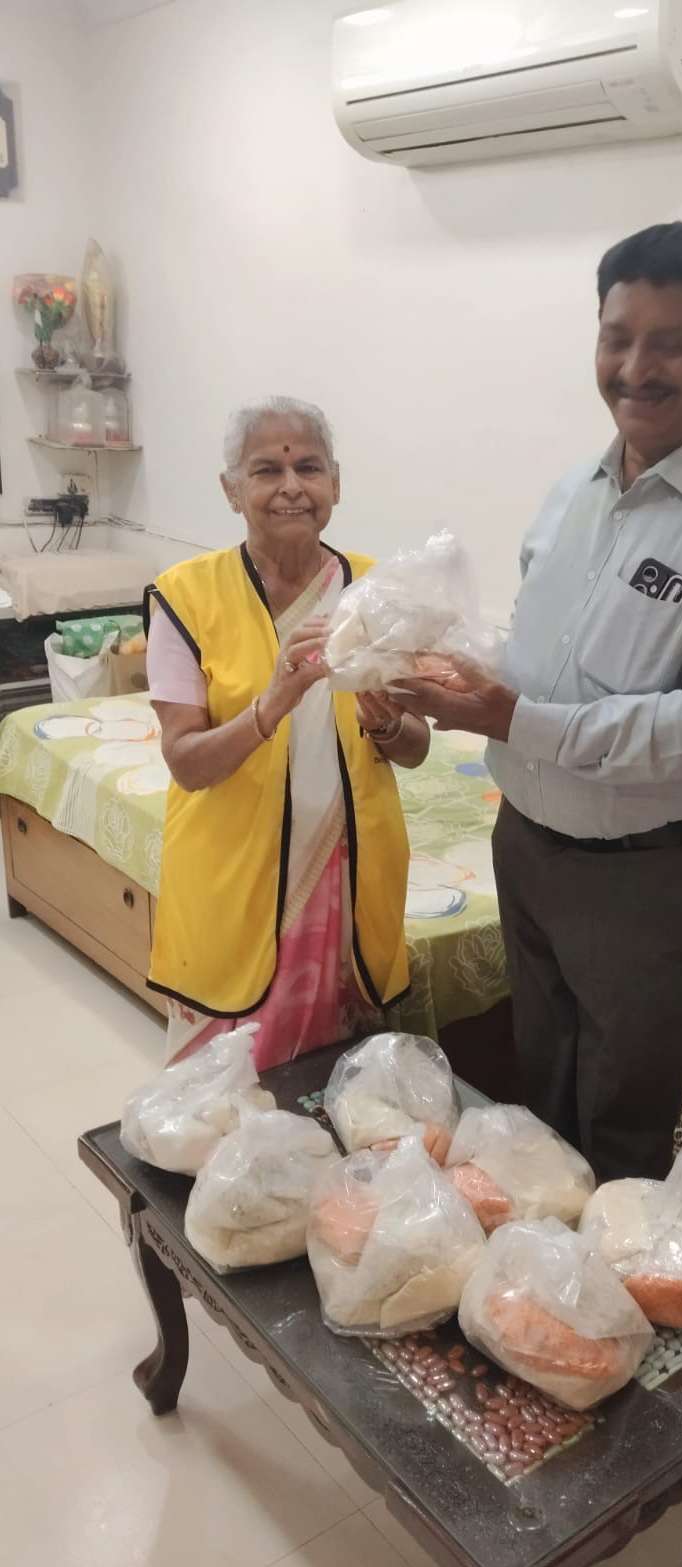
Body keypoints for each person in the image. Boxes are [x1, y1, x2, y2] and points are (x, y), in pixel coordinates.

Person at [397, 223, 682, 1182]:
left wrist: (513, 719)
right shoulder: (573, 494)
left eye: (670, 343)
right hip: (527, 842)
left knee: (624, 1125)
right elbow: (544, 656)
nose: (635, 368)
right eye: (616, 338)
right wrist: (460, 669)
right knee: (538, 1092)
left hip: (648, 875)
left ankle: (617, 1268)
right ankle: (536, 1258)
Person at [145, 396, 427, 1070]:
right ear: (231, 490)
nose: (292, 487)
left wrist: (387, 723)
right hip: (232, 879)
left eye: (309, 468)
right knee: (225, 1095)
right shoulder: (184, 597)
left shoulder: (373, 591)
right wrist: (270, 706)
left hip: (347, 877)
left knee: (336, 1086)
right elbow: (186, 763)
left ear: (336, 483)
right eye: (267, 469)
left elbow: (416, 747)